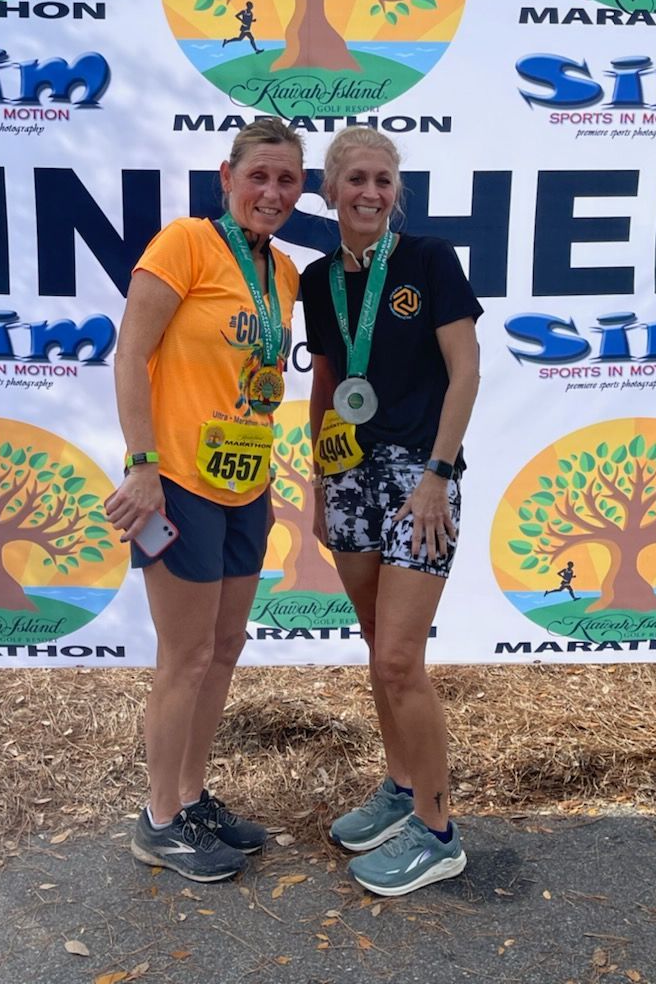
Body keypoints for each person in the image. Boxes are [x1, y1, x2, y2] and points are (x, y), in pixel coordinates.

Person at [105, 116, 304, 883]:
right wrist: (143, 463)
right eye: (259, 175)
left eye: (287, 179)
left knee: (224, 650)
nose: (272, 191)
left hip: (247, 484)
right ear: (227, 177)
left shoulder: (282, 272)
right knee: (184, 657)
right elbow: (131, 355)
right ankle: (157, 820)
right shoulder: (184, 243)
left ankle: (189, 797)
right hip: (178, 482)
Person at [300, 125, 481, 897]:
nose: (370, 193)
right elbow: (328, 382)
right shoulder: (316, 279)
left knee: (401, 660)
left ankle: (438, 831)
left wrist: (438, 472)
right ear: (331, 191)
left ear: (395, 191)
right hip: (349, 477)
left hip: (418, 479)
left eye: (383, 180)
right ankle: (403, 787)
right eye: (356, 181)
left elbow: (466, 369)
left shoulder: (430, 260)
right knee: (379, 644)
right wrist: (318, 477)